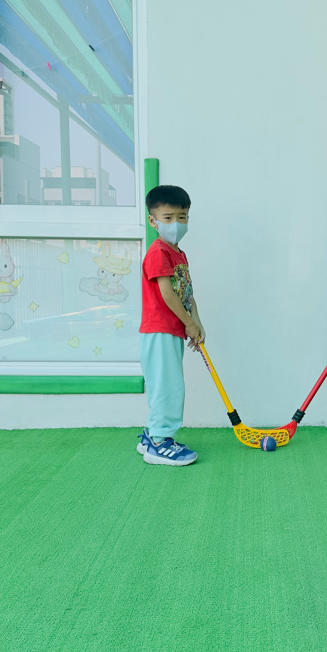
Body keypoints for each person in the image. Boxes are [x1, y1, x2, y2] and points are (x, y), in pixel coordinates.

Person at [137, 185, 205, 466]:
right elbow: (166, 293)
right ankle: (159, 442)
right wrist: (188, 323)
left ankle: (151, 435)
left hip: (171, 329)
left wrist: (196, 323)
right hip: (159, 330)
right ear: (153, 221)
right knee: (168, 387)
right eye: (168, 218)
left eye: (182, 217)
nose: (176, 223)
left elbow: (186, 294)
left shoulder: (178, 254)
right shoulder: (158, 252)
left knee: (169, 384)